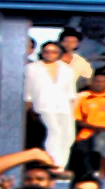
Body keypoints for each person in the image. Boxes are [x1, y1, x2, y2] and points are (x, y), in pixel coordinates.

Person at [22, 41, 76, 170]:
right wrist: (28, 108)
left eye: (54, 52)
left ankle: (62, 165)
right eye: (47, 51)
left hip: (63, 107)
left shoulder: (66, 69)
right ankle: (52, 163)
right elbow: (27, 91)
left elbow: (71, 93)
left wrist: (73, 111)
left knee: (68, 135)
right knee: (54, 132)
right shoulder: (32, 68)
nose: (50, 54)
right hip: (42, 106)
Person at [70, 66, 105, 181]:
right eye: (97, 81)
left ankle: (102, 172)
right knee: (82, 146)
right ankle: (88, 175)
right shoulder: (84, 97)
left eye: (103, 81)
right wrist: (93, 126)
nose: (99, 84)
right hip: (88, 130)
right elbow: (77, 119)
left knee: (101, 142)